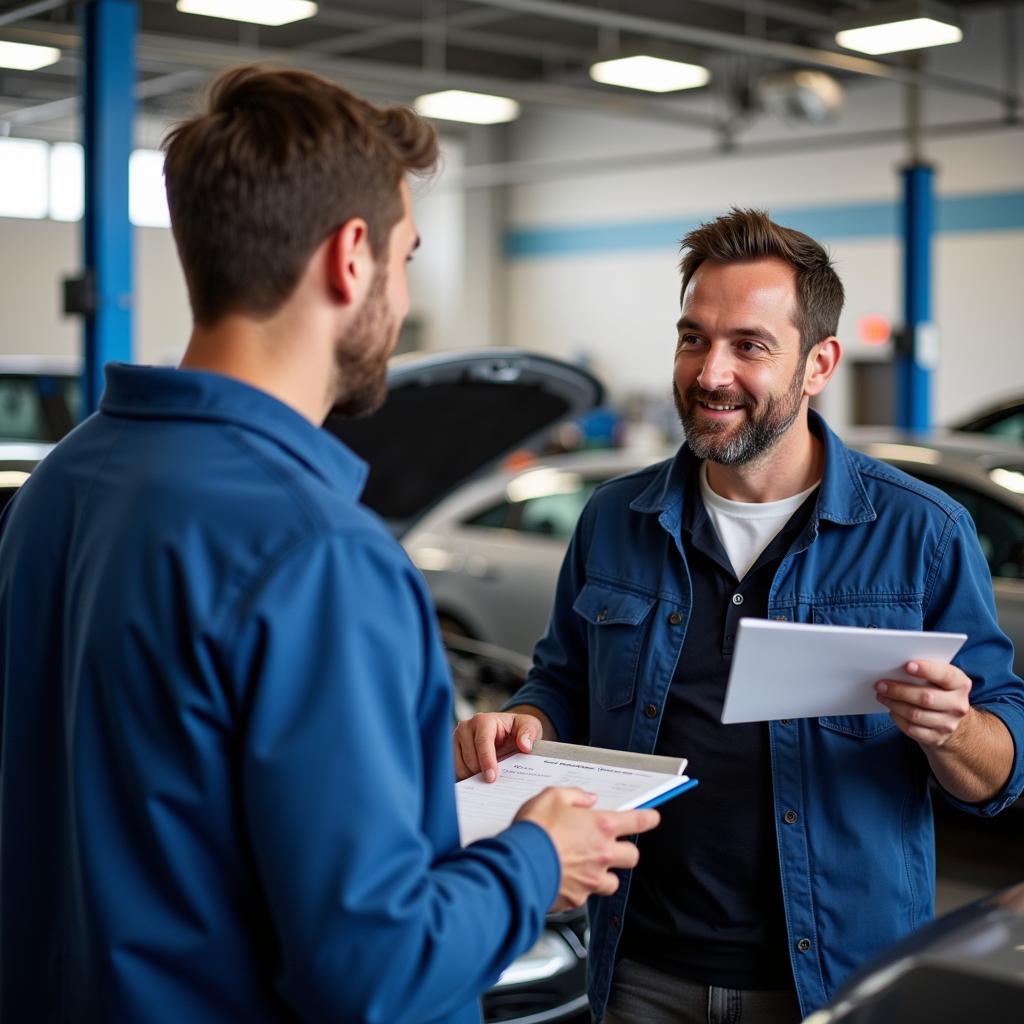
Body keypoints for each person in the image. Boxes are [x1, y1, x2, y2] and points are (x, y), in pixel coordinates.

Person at [0, 66, 660, 1024]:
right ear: (353, 257)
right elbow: (373, 973)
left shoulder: (65, 483)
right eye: (406, 257)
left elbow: (153, 790)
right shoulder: (319, 552)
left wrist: (387, 766)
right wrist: (536, 862)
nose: (400, 294)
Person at [454, 208, 1024, 1024]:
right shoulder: (615, 519)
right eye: (693, 339)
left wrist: (953, 728)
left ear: (818, 362)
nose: (710, 371)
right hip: (640, 965)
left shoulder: (921, 532)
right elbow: (562, 681)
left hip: (836, 978)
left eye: (749, 346)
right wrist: (521, 724)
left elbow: (1003, 768)